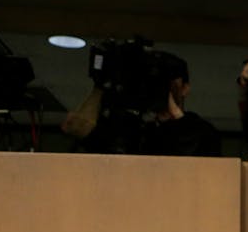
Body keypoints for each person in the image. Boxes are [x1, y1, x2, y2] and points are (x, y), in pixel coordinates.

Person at [66, 54, 221, 157]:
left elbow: (196, 153)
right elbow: (78, 126)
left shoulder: (201, 131)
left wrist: (173, 110)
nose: (159, 86)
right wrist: (101, 86)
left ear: (185, 88)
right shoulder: (137, 129)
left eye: (169, 80)